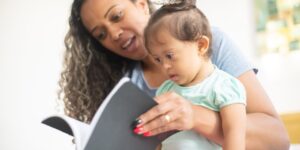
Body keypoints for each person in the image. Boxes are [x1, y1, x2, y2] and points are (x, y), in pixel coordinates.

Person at [59, 0, 290, 149]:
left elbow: (277, 138)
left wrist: (194, 116)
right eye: (101, 34)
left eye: (117, 16)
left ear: (140, 4)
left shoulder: (206, 45)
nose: (114, 33)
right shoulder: (127, 87)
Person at [134, 1, 246, 149]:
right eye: (158, 59)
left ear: (201, 46)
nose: (164, 66)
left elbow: (235, 138)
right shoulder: (165, 91)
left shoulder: (224, 86)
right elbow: (158, 141)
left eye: (169, 55)